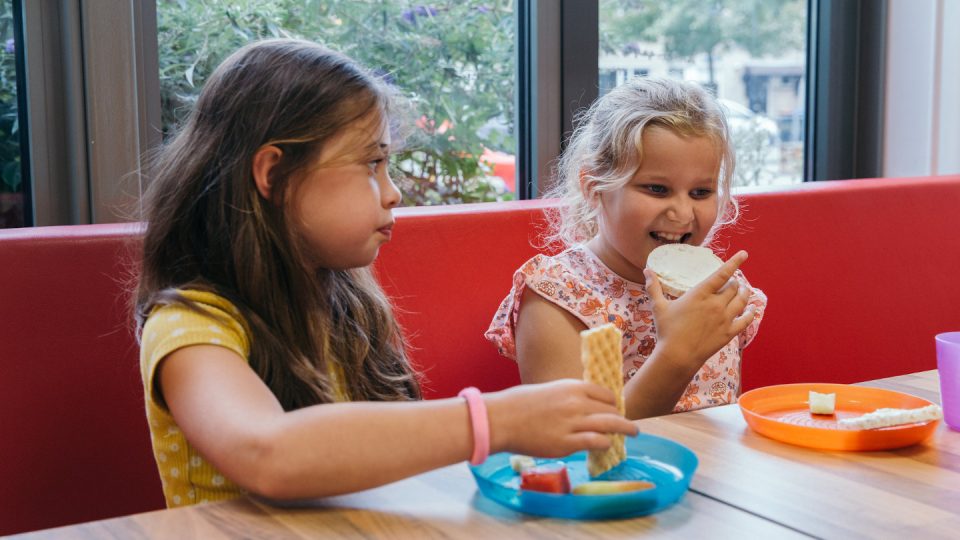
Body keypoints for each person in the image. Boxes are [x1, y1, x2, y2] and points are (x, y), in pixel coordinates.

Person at [135, 39, 637, 508]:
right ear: (273, 174)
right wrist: (498, 420)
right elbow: (268, 454)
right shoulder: (191, 327)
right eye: (371, 163)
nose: (392, 191)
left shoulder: (341, 301)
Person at [485, 77, 767, 420]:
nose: (682, 213)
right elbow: (581, 440)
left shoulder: (722, 290)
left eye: (701, 193)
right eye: (657, 189)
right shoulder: (556, 295)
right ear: (594, 187)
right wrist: (677, 355)